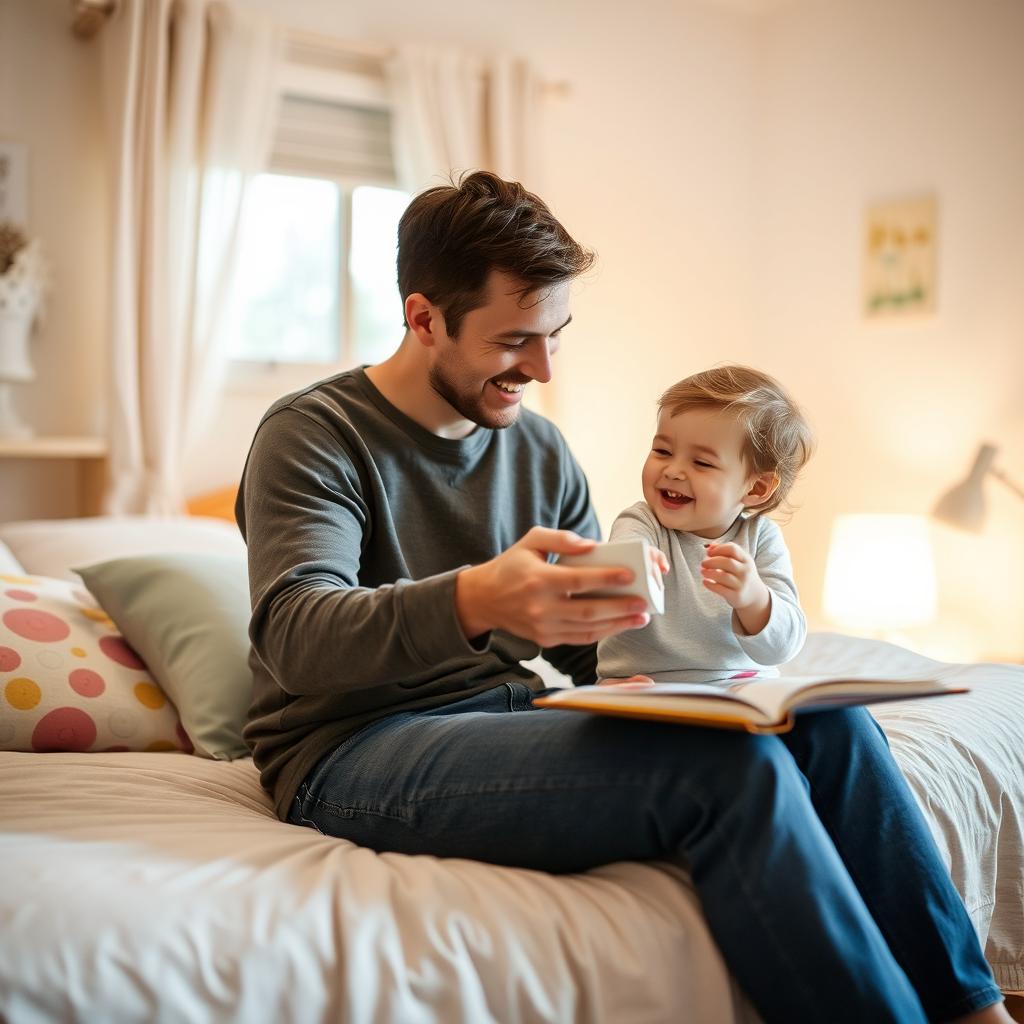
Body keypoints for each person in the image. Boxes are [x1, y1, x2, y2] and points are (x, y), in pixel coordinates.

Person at [235, 171, 1009, 1023]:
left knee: (830, 726)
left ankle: (973, 1010)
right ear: (424, 319)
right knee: (724, 772)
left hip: (514, 713)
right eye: (515, 341)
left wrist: (670, 678)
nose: (542, 367)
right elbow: (294, 635)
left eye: (557, 334)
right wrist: (479, 599)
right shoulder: (315, 436)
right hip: (352, 747)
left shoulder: (538, 448)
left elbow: (585, 643)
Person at [597, 364, 812, 686]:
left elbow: (782, 647)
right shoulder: (641, 522)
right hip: (645, 685)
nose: (672, 470)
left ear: (755, 489)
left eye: (702, 462)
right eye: (662, 451)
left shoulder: (762, 538)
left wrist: (753, 597)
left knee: (845, 718)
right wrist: (634, 570)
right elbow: (619, 570)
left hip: (741, 685)